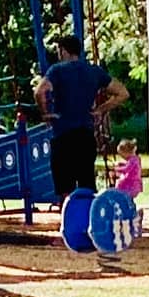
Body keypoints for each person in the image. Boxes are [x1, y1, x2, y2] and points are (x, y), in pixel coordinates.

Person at [38, 33, 110, 209]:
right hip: (85, 133)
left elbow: (40, 91)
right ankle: (88, 222)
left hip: (63, 133)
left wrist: (46, 113)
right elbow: (122, 92)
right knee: (86, 181)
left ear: (63, 51)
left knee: (65, 186)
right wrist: (100, 109)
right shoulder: (94, 71)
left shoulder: (57, 70)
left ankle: (66, 224)